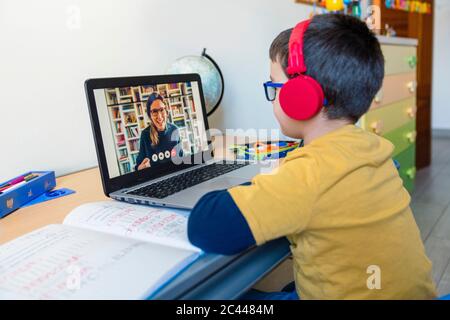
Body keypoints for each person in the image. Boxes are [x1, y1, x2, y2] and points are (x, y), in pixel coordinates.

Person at [187, 14, 437, 300]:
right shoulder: (374, 147)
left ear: (301, 96)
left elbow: (206, 226)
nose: (272, 97)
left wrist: (267, 182)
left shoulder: (310, 175)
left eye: (274, 87)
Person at [135, 93, 183, 171]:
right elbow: (138, 166)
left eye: (161, 110)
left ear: (166, 111)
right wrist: (140, 168)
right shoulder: (145, 135)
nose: (159, 116)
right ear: (150, 115)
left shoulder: (175, 130)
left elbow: (181, 157)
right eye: (154, 111)